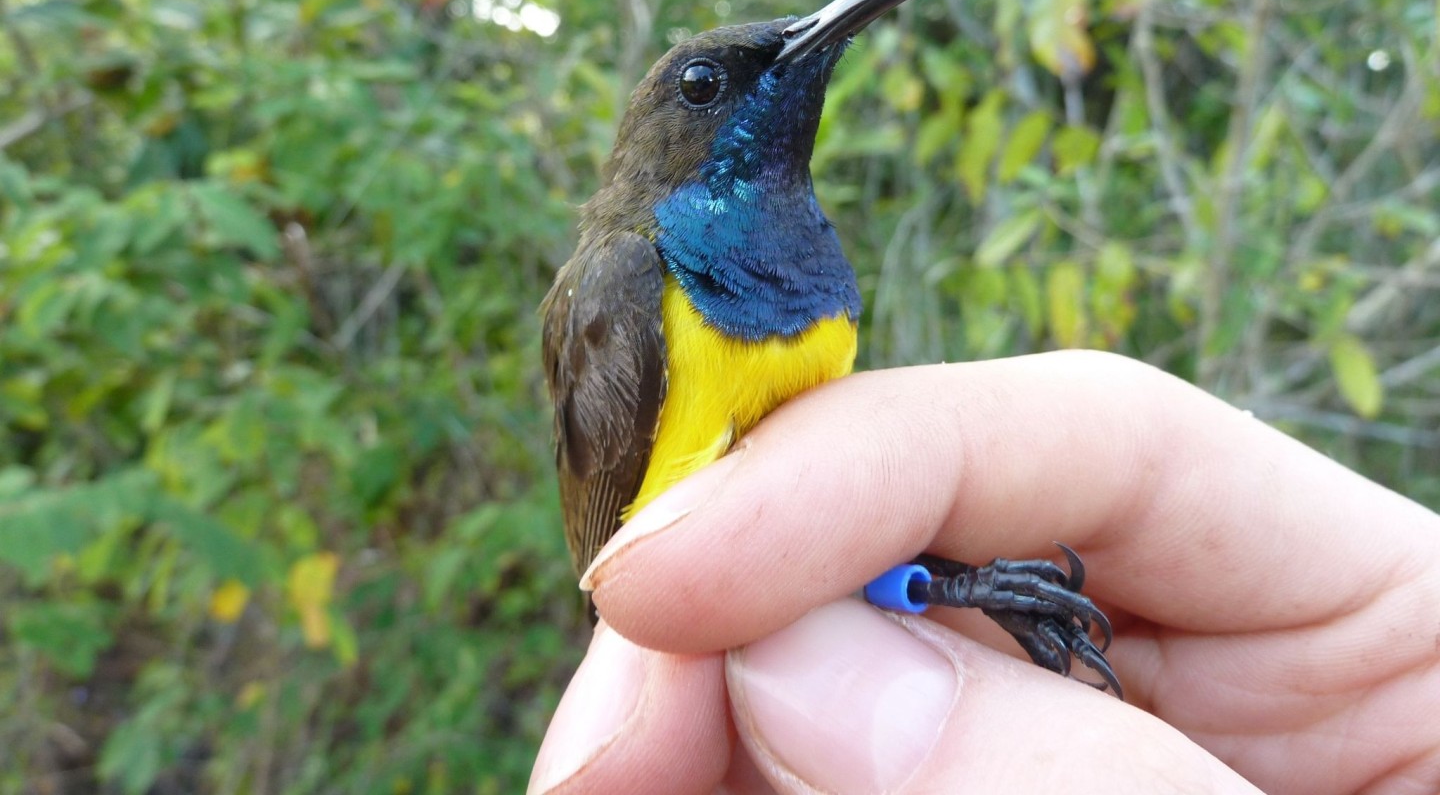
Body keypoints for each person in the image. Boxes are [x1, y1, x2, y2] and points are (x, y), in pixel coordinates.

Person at [527, 351, 1440, 794]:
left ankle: (949, 589)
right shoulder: (629, 273)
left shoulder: (801, 258)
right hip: (687, 594)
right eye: (704, 84)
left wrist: (960, 586)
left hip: (756, 564)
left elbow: (824, 536)